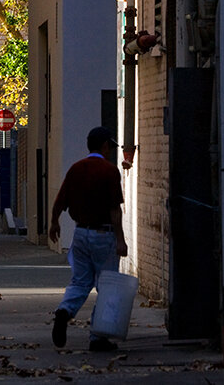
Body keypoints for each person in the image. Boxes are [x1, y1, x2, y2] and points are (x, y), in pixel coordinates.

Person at [49, 126, 127, 351]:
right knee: (106, 285)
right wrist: (120, 239)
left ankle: (65, 310)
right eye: (109, 146)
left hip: (80, 232)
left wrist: (54, 222)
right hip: (104, 234)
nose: (110, 150)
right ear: (104, 146)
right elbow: (114, 209)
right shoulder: (109, 171)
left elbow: (60, 200)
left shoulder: (76, 168)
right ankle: (98, 337)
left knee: (80, 281)